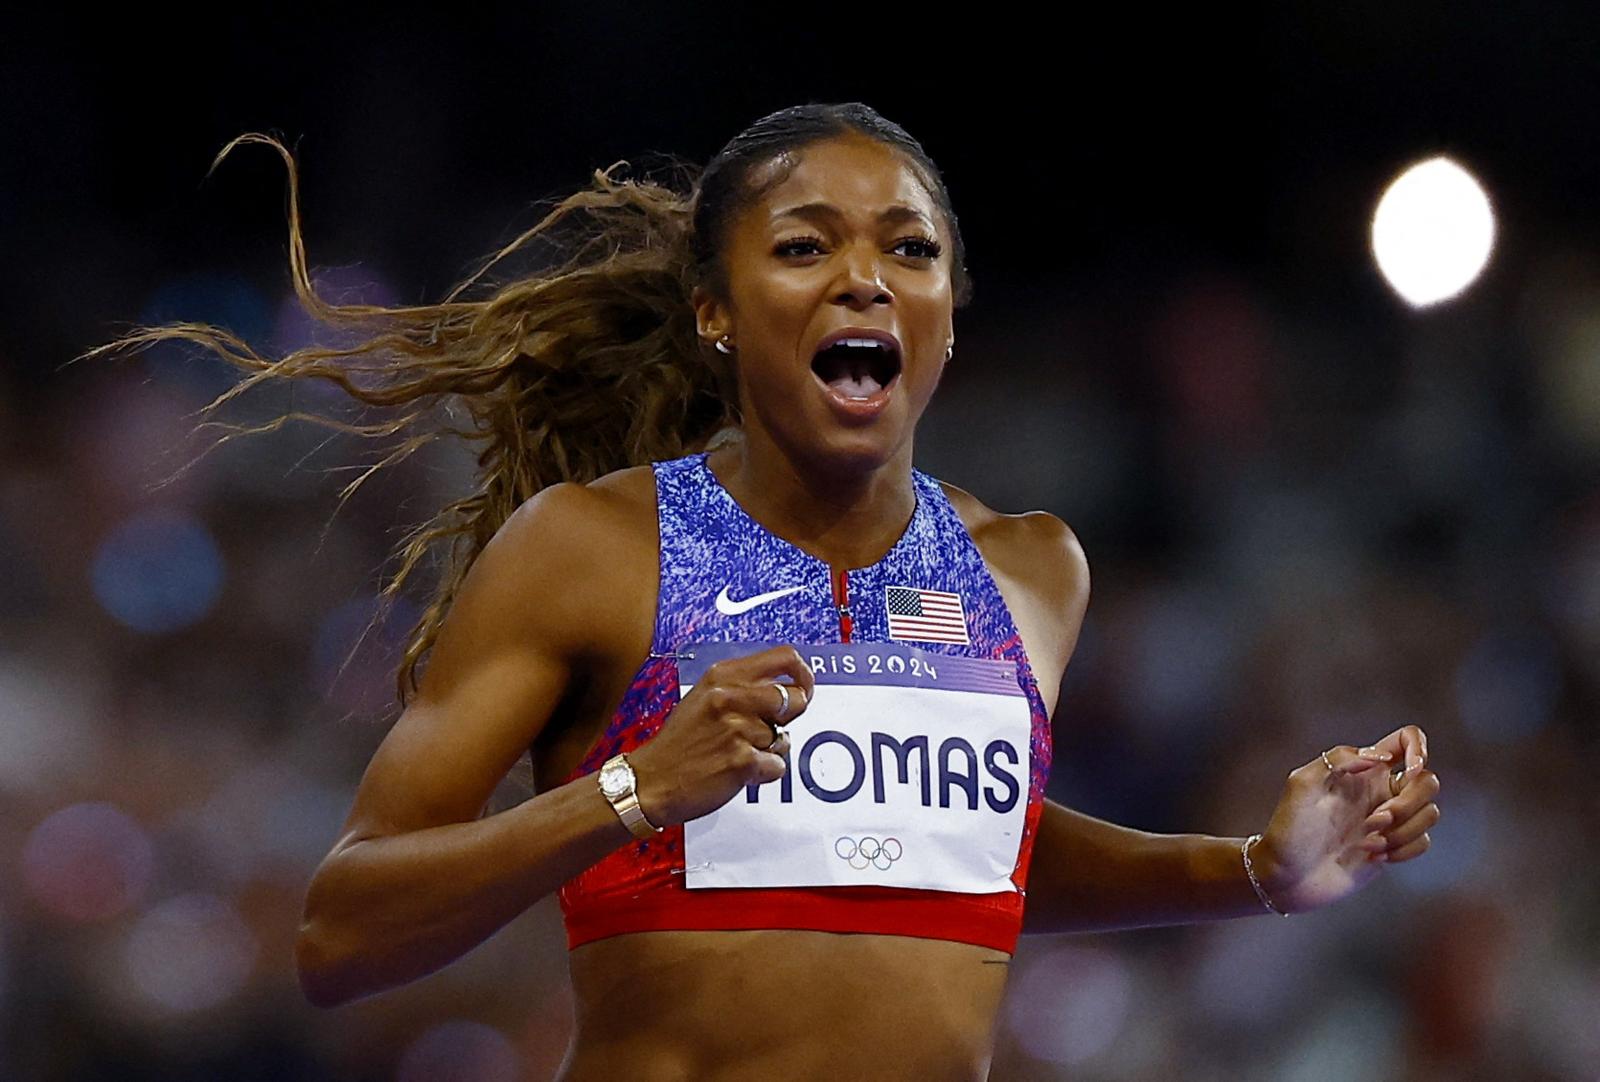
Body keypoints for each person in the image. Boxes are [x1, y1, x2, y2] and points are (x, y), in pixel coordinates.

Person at [86, 102, 1441, 1081]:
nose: (864, 273)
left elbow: (973, 859)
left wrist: (1258, 871)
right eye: (804, 245)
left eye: (908, 250)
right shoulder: (593, 549)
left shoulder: (1031, 570)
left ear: (949, 311)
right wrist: (632, 791)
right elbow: (340, 931)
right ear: (714, 312)